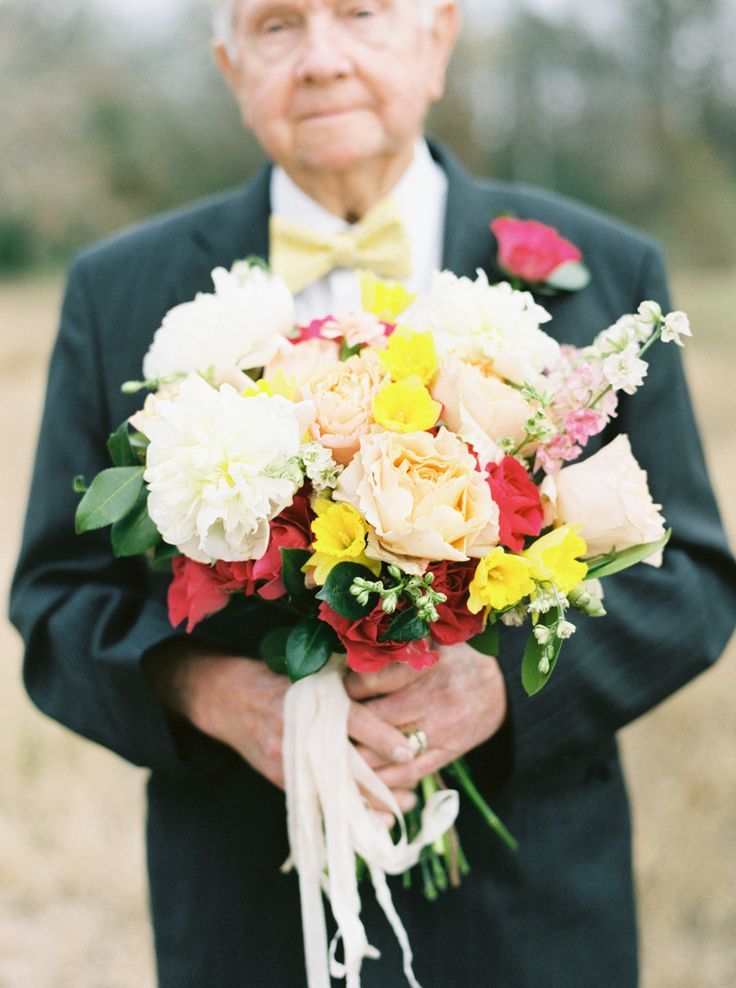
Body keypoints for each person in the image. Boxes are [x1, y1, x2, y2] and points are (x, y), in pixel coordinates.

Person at [9, 1, 736, 985]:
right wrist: (208, 691)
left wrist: (501, 688)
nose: (322, 59)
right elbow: (56, 600)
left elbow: (693, 583)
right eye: (277, 24)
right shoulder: (118, 292)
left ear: (437, 40)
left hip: (530, 914)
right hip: (251, 914)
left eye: (361, 12)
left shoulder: (601, 271)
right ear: (230, 67)